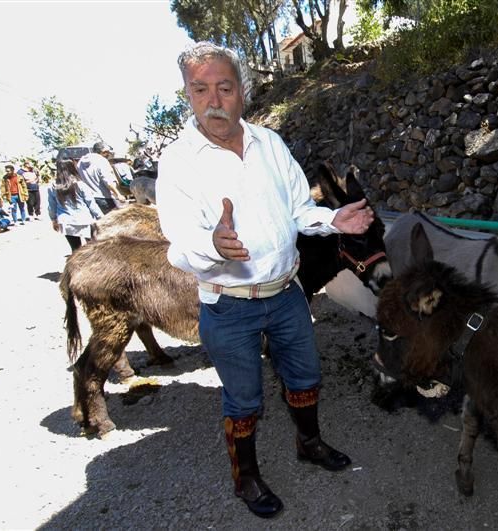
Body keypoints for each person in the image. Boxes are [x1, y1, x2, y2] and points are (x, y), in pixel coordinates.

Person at [156, 41, 374, 519]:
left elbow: (298, 210)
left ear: (242, 92)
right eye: (200, 89)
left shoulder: (270, 144)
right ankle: (247, 478)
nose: (214, 100)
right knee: (243, 399)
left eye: (225, 87)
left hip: (287, 295)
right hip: (228, 304)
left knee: (306, 377)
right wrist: (214, 245)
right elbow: (178, 245)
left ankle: (309, 443)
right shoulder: (177, 163)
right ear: (188, 95)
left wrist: (334, 220)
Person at [48, 159, 103, 252]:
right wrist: (101, 217)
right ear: (72, 168)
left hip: (66, 221)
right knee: (93, 248)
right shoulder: (80, 184)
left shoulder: (53, 187)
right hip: (84, 220)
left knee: (75, 250)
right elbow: (91, 203)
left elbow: (51, 206)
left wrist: (53, 220)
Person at [76, 142, 126, 214]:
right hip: (104, 199)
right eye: (107, 152)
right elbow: (108, 181)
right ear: (104, 152)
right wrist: (118, 194)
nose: (108, 155)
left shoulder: (80, 162)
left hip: (89, 199)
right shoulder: (101, 160)